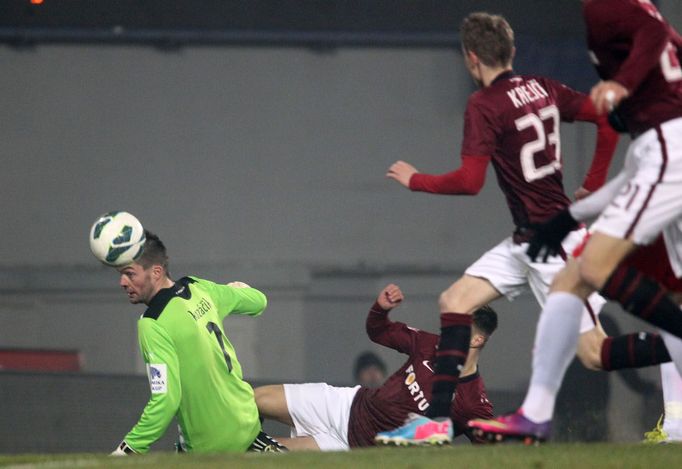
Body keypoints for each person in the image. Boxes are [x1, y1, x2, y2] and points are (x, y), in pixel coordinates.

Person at [380, 11, 619, 445]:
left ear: (472, 59)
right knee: (455, 301)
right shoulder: (544, 88)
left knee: (594, 354)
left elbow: (470, 182)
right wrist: (594, 183)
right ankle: (435, 424)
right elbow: (607, 118)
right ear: (509, 51)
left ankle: (673, 345)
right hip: (527, 239)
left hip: (556, 244)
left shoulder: (485, 104)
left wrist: (417, 180)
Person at [469, 0, 682, 443]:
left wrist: (622, 84)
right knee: (576, 278)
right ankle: (536, 415)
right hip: (660, 149)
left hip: (670, 147)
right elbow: (631, 177)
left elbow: (652, 38)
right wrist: (565, 219)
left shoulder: (606, 8)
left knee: (591, 269)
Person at [254, 284, 497, 450]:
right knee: (256, 398)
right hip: (346, 406)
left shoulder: (473, 402)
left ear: (477, 340)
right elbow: (378, 331)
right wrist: (381, 309)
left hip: (352, 450)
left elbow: (491, 455)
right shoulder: (428, 344)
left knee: (261, 453)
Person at [108, 230, 285, 454]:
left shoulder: (152, 323)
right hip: (248, 430)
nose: (122, 282)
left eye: (130, 274)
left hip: (211, 449)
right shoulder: (198, 288)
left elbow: (166, 400)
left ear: (156, 272)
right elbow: (259, 302)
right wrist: (237, 290)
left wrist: (129, 448)